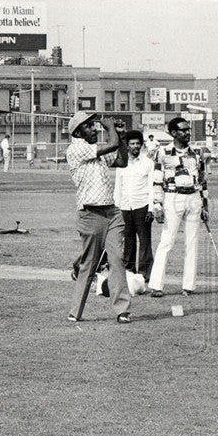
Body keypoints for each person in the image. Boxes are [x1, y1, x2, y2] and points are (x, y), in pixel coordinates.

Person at [65, 111, 131, 323]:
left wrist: (119, 135)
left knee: (117, 259)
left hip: (112, 213)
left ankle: (122, 310)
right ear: (78, 132)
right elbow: (110, 145)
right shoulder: (76, 149)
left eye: (95, 126)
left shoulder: (96, 151)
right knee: (89, 264)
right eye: (90, 126)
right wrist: (110, 127)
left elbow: (121, 161)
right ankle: (76, 312)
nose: (94, 129)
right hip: (90, 214)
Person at [148, 117, 208, 298]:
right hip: (173, 197)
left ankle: (188, 286)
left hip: (193, 198)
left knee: (192, 242)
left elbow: (203, 181)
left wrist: (205, 205)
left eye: (188, 130)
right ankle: (157, 286)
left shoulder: (197, 152)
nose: (187, 133)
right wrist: (157, 205)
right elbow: (157, 180)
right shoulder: (162, 152)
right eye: (183, 130)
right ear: (173, 133)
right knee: (167, 241)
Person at [113, 130, 155, 282]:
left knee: (144, 241)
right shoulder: (121, 164)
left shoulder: (148, 163)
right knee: (128, 241)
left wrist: (151, 209)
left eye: (138, 143)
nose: (135, 146)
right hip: (125, 207)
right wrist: (116, 208)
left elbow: (152, 188)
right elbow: (118, 188)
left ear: (141, 144)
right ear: (127, 145)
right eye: (132, 144)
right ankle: (129, 272)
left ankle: (145, 274)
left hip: (142, 206)